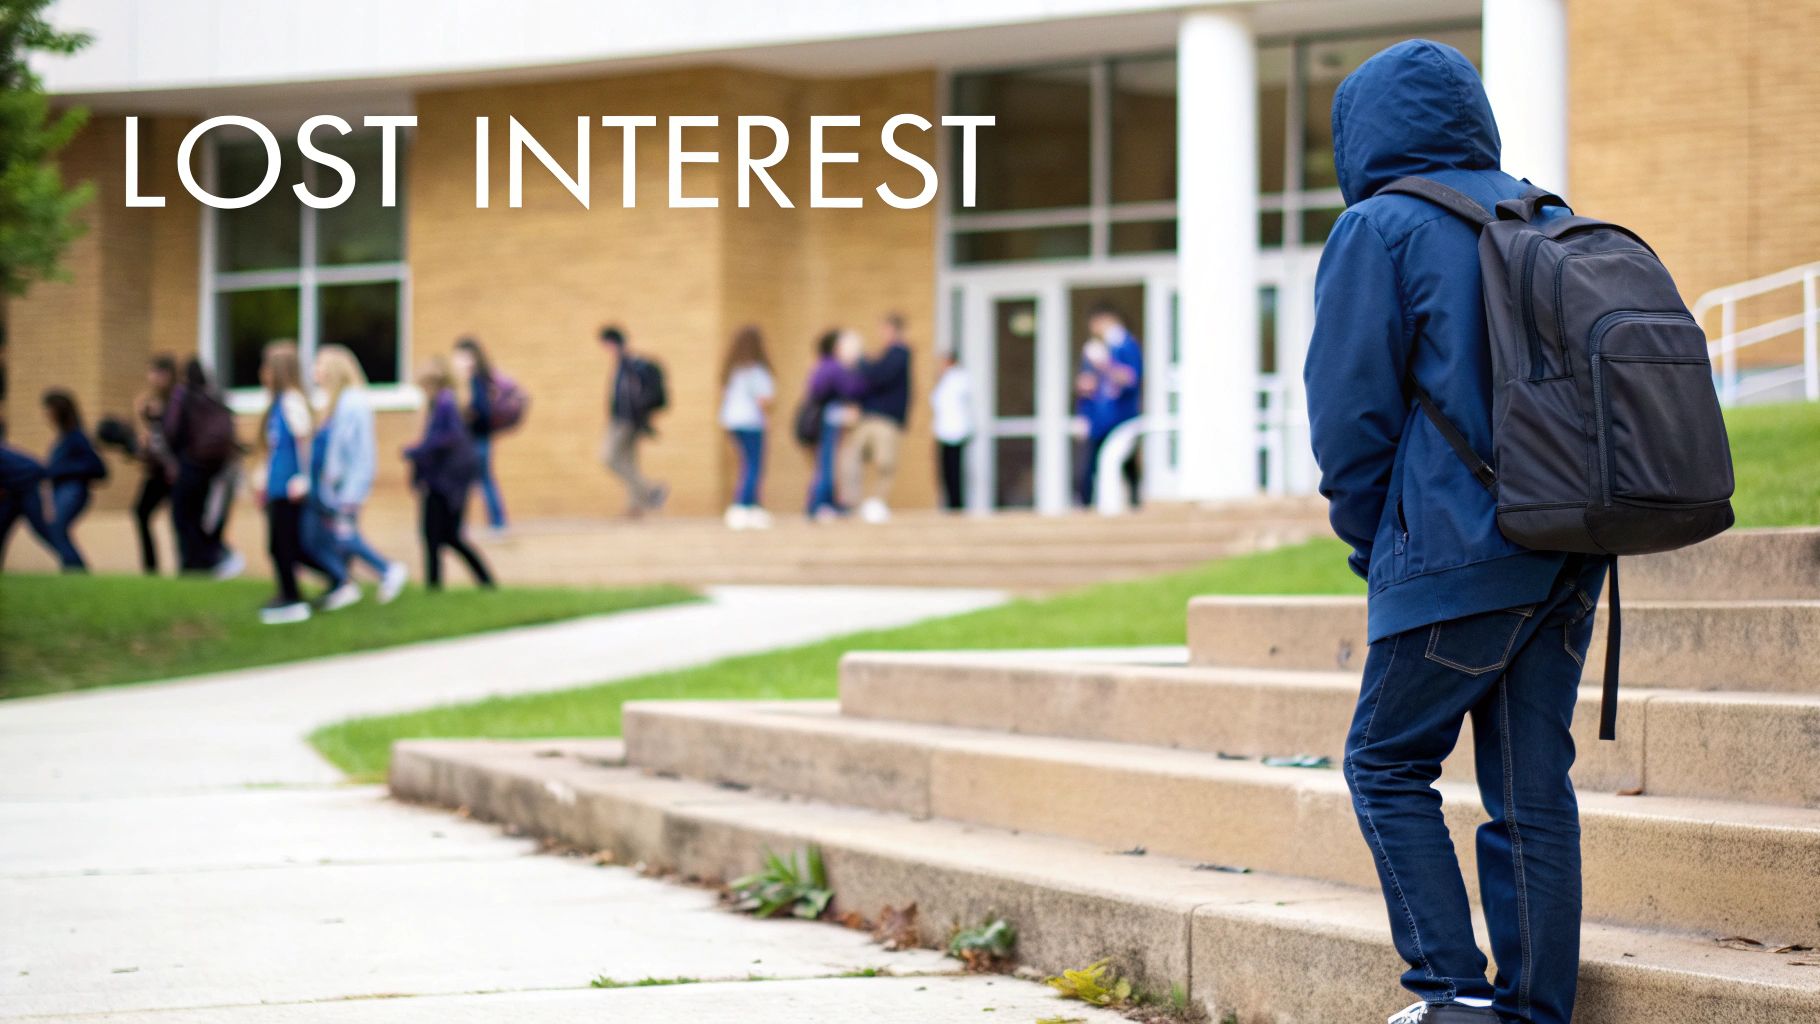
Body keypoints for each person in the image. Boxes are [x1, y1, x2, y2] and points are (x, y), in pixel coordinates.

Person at [1303, 40, 1608, 1024]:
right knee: (1529, 788)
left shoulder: (1378, 228)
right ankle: (1532, 1012)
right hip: (1566, 547)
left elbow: (1347, 421)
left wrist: (1373, 544)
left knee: (1383, 763)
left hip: (1446, 549)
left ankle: (1450, 996)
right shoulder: (1544, 216)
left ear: (1363, 131)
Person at [255, 340, 359, 625]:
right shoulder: (277, 404)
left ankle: (296, 595)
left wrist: (302, 479)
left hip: (291, 489)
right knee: (284, 546)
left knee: (284, 546)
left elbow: (305, 442)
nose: (261, 373)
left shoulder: (292, 401)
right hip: (277, 487)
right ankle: (302, 588)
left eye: (266, 367)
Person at [315, 344, 408, 603]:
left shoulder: (351, 403)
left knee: (344, 536)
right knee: (342, 536)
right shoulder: (341, 401)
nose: (316, 371)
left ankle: (388, 570)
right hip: (344, 485)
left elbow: (355, 452)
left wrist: (344, 486)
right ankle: (344, 585)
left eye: (320, 364)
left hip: (349, 486)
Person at [406, 356, 494, 590]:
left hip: (444, 480)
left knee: (440, 535)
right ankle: (478, 582)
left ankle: (439, 586)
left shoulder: (445, 404)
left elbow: (447, 439)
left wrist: (417, 450)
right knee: (442, 536)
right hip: (445, 479)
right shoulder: (444, 403)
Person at [165, 359, 244, 578]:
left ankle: (191, 565)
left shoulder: (183, 395)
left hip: (190, 463)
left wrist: (174, 456)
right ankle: (204, 562)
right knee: (200, 515)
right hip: (213, 468)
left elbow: (172, 429)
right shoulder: (216, 396)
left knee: (183, 516)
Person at [841, 313, 913, 524]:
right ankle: (853, 503)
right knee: (852, 458)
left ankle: (877, 503)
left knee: (885, 463)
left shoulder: (899, 354)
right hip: (868, 418)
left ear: (893, 329)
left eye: (884, 329)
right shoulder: (885, 356)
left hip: (886, 420)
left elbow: (879, 376)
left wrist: (860, 360)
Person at [1073, 303, 1143, 508]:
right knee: (1091, 463)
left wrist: (1104, 364)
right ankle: (1086, 504)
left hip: (1121, 416)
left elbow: (1130, 379)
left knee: (1126, 461)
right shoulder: (1096, 348)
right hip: (1099, 417)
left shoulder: (1126, 346)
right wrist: (1083, 413)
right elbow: (1087, 386)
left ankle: (1133, 502)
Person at [598, 325, 669, 516]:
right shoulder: (629, 364)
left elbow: (628, 397)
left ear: (611, 343)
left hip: (624, 420)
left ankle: (651, 490)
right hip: (633, 421)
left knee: (609, 458)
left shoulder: (628, 364)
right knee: (629, 462)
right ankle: (635, 506)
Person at [38, 390, 106, 571]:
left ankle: (77, 569)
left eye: (48, 409)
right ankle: (72, 567)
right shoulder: (63, 439)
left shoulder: (77, 437)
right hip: (61, 490)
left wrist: (61, 470)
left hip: (73, 489)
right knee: (54, 529)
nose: (45, 414)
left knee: (57, 527)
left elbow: (98, 467)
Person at [801, 328, 862, 521]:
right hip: (828, 419)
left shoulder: (823, 366)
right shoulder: (834, 367)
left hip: (827, 418)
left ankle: (826, 502)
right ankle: (819, 503)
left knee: (826, 462)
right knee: (826, 462)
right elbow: (851, 389)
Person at [718, 325, 775, 530]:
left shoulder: (732, 370)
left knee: (746, 463)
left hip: (731, 421)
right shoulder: (757, 371)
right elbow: (764, 399)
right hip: (751, 421)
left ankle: (753, 505)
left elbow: (725, 394)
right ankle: (742, 505)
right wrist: (767, 415)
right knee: (753, 464)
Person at [451, 337, 507, 535]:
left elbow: (480, 409)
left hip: (476, 439)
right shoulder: (481, 379)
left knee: (475, 480)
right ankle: (496, 522)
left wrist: (466, 413)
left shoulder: (474, 380)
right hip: (479, 438)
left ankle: (493, 523)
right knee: (482, 480)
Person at [130, 355, 178, 574]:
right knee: (140, 512)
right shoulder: (150, 402)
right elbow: (150, 437)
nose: (151, 378)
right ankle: (150, 567)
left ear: (166, 375)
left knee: (180, 519)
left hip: (175, 470)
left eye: (155, 373)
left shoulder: (177, 400)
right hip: (157, 470)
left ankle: (188, 566)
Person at [0, 444, 64, 570]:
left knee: (45, 530)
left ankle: (74, 564)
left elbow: (39, 469)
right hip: (12, 492)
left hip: (29, 488)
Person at [929, 350, 974, 511]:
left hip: (955, 432)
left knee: (954, 472)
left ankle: (956, 505)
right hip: (945, 432)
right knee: (947, 472)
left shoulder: (958, 378)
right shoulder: (946, 379)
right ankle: (951, 504)